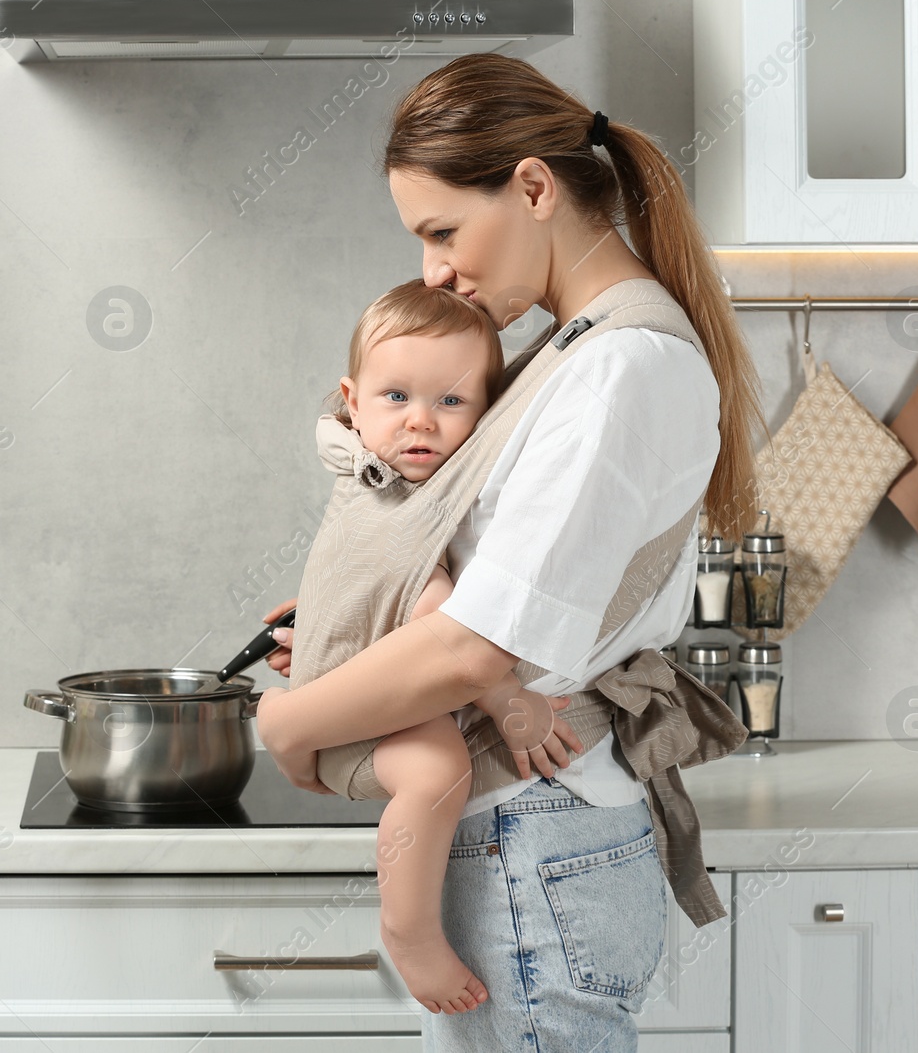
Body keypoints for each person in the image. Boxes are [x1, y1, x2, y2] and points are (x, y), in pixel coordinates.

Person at [255, 51, 764, 1052]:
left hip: (536, 832)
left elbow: (479, 649)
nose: (434, 270)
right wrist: (357, 629)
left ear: (533, 186)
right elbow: (492, 594)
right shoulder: (569, 349)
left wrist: (290, 722)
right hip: (530, 835)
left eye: (442, 231)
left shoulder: (621, 366)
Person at [307, 278, 589, 1016]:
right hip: (358, 718)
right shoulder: (389, 491)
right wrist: (505, 696)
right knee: (436, 771)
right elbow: (434, 613)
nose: (421, 422)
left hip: (369, 696)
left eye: (452, 402)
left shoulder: (379, 472)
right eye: (396, 397)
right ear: (352, 399)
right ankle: (409, 929)